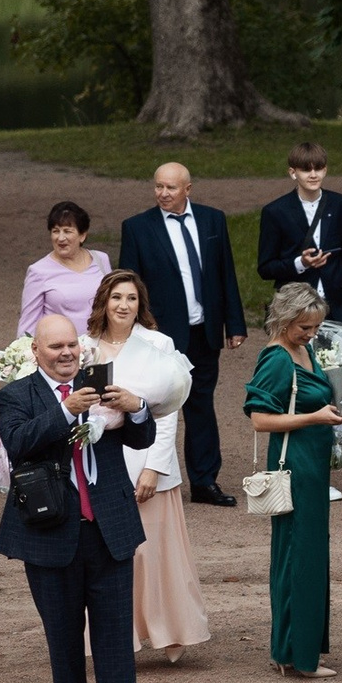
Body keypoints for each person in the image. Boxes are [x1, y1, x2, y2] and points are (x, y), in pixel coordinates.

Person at [0, 314, 158, 683]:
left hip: (109, 528)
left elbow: (142, 440)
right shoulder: (15, 395)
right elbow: (19, 443)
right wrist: (67, 410)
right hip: (50, 532)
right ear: (36, 352)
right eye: (55, 347)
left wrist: (135, 407)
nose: (66, 353)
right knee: (63, 634)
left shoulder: (102, 385)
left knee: (115, 631)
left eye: (71, 345)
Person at [83, 271, 207, 662]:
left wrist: (154, 467)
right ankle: (119, 639)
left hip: (147, 461)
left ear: (141, 305)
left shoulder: (158, 344)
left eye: (132, 299)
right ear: (104, 301)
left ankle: (167, 632)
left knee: (152, 555)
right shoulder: (85, 348)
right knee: (108, 557)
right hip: (99, 464)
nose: (124, 305)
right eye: (117, 297)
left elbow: (168, 411)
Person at [118, 163, 247, 507]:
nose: (162, 193)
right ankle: (143, 477)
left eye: (170, 188)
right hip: (160, 336)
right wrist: (138, 329)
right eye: (158, 186)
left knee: (201, 406)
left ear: (188, 189)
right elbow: (129, 284)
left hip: (203, 331)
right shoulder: (137, 228)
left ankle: (205, 482)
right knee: (154, 406)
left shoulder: (212, 220)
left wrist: (234, 323)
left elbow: (225, 274)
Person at [244, 284, 342, 678]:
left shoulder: (304, 350)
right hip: (296, 466)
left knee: (308, 555)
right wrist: (315, 418)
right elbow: (259, 419)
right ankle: (293, 654)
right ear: (284, 320)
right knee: (297, 556)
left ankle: (297, 649)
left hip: (313, 466)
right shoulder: (276, 358)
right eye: (304, 326)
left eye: (315, 326)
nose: (311, 333)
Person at [257, 141, 342, 324]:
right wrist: (300, 263)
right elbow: (265, 267)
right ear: (293, 173)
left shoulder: (341, 205)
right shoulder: (275, 211)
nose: (313, 175)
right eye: (305, 170)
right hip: (295, 308)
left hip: (337, 308)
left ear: (325, 170)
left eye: (318, 169)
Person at [19, 201, 107, 338]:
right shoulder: (38, 271)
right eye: (55, 231)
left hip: (101, 345)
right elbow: (27, 325)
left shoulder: (101, 260)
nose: (60, 238)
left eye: (67, 231)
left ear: (82, 235)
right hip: (62, 349)